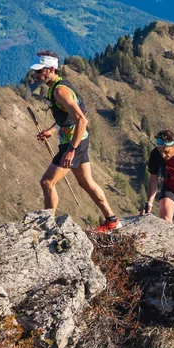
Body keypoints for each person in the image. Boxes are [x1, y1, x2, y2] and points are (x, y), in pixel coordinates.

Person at [29, 51, 121, 232]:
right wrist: (52, 130)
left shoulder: (60, 91)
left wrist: (72, 149)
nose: (37, 76)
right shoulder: (58, 87)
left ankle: (49, 226)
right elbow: (70, 116)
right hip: (76, 140)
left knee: (47, 182)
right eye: (36, 72)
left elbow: (82, 120)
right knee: (86, 183)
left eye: (40, 71)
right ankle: (112, 220)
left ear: (52, 69)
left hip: (73, 142)